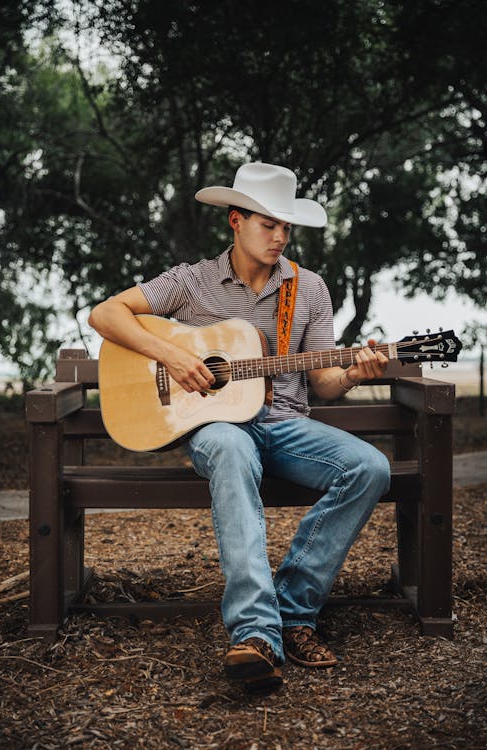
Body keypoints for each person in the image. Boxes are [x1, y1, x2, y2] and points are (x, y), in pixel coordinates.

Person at [89, 162, 390, 693]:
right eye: (266, 224)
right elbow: (105, 314)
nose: (278, 237)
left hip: (286, 426)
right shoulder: (192, 281)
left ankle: (293, 611)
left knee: (369, 467)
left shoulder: (309, 288)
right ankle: (255, 634)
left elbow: (321, 382)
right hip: (218, 428)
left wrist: (353, 372)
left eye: (285, 227)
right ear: (235, 220)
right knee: (229, 446)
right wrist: (174, 358)